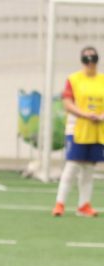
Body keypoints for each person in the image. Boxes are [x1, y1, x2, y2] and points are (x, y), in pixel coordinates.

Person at [53, 46, 104, 218]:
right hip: (77, 128)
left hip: (96, 129)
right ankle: (60, 203)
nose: (90, 63)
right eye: (86, 59)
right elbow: (68, 103)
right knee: (73, 165)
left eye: (93, 59)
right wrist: (84, 114)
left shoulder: (102, 80)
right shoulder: (73, 79)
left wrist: (101, 116)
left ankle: (84, 205)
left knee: (89, 168)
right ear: (81, 60)